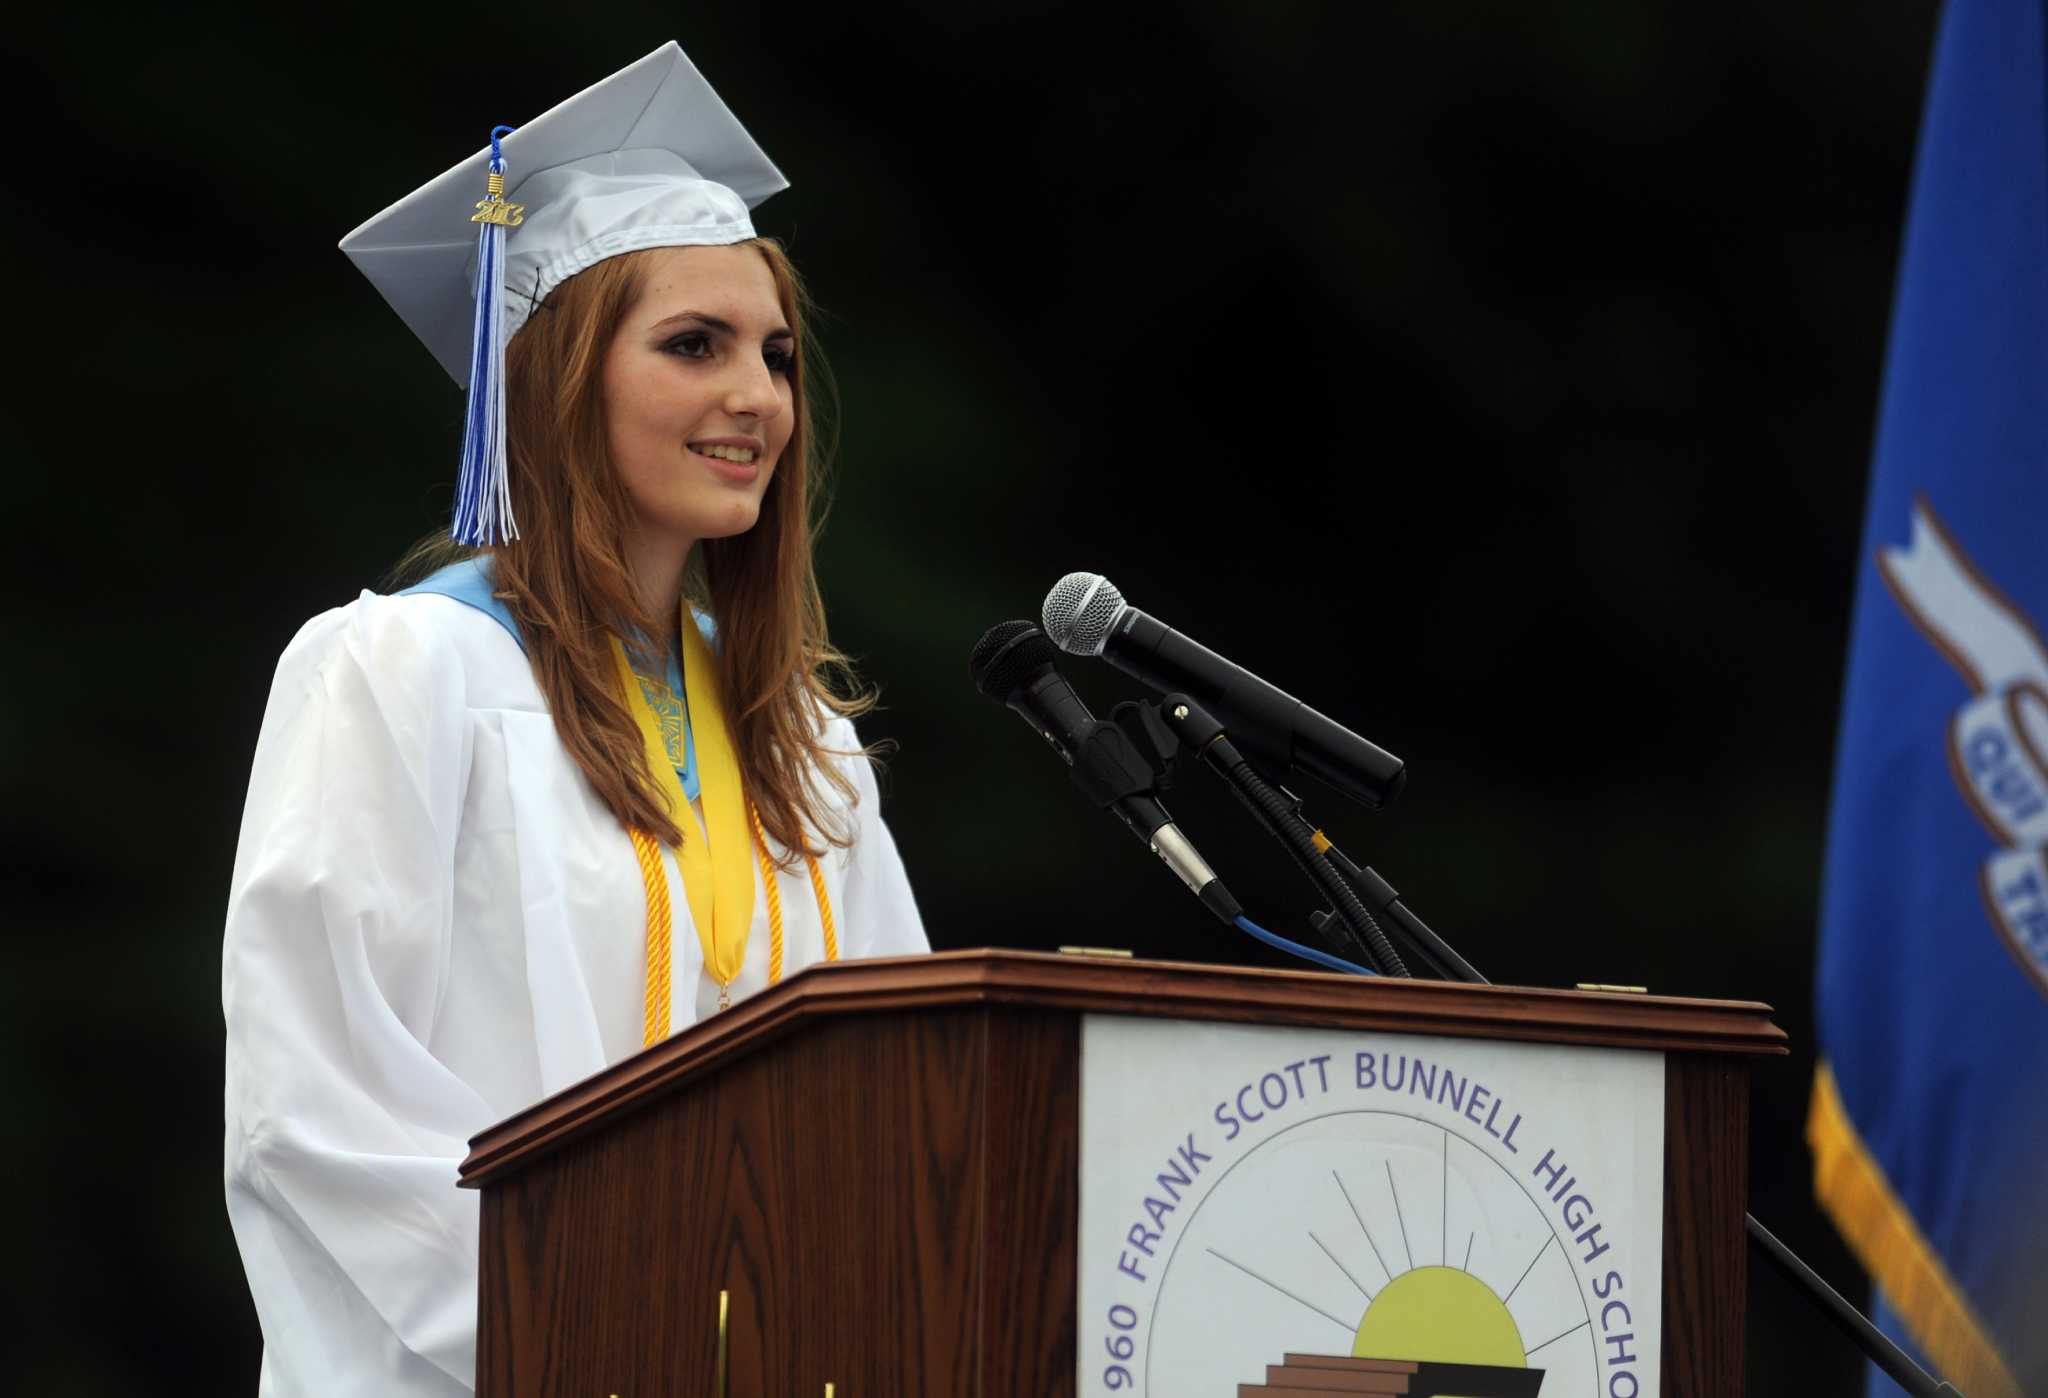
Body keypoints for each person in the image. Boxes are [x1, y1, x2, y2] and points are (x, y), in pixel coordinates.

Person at [220, 43, 928, 1397]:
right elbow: (321, 1112)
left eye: (776, 355)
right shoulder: (403, 676)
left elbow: (901, 1100)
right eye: (694, 345)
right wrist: (624, 1315)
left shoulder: (805, 747)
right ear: (552, 377)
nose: (758, 397)